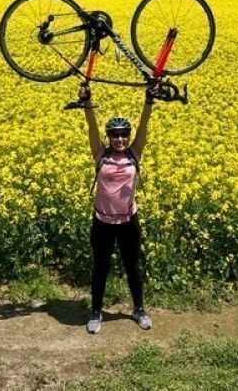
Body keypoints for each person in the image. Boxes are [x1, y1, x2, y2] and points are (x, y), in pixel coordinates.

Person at [79, 83, 156, 334]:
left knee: (133, 266)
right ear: (109, 137)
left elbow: (144, 128)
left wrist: (148, 101)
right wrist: (87, 102)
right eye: (115, 135)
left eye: (124, 134)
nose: (120, 139)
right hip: (102, 221)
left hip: (128, 221)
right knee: (100, 267)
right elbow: (91, 128)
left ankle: (139, 309)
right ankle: (95, 312)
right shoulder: (100, 154)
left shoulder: (135, 153)